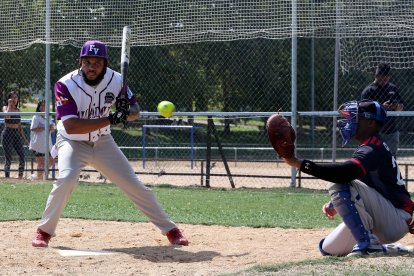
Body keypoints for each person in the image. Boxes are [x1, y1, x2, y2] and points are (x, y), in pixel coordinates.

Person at [31, 40, 189, 247]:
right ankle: (44, 231)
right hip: (72, 142)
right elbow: (71, 126)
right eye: (87, 61)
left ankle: (171, 230)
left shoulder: (117, 80)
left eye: (97, 62)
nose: (91, 66)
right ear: (81, 62)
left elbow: (135, 112)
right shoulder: (65, 84)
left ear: (104, 63)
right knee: (66, 179)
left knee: (133, 184)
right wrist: (113, 118)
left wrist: (126, 112)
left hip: (102, 141)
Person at [282, 100, 413, 256]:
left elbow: (345, 173)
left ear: (370, 122)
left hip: (395, 219)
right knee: (328, 249)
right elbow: (364, 182)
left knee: (337, 183)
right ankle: (390, 248)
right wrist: (335, 202)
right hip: (384, 218)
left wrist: (300, 163)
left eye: (355, 117)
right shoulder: (369, 146)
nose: (348, 121)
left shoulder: (373, 148)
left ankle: (368, 245)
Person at [361, 63, 403, 157]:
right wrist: (381, 107)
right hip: (373, 131)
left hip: (391, 131)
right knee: (373, 157)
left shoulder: (393, 88)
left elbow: (401, 106)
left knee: (391, 158)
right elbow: (363, 111)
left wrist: (396, 107)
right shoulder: (368, 91)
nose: (384, 81)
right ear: (376, 76)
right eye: (381, 78)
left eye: (386, 78)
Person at [1, 91, 28, 178]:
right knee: (8, 156)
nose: (14, 99)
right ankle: (7, 177)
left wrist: (25, 139)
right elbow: (7, 116)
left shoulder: (18, 110)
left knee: (22, 156)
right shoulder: (5, 107)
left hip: (16, 133)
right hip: (8, 132)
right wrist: (9, 105)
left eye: (16, 97)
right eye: (12, 97)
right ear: (9, 99)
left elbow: (19, 127)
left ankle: (20, 175)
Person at [29, 99, 56, 180]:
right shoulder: (36, 116)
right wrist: (45, 127)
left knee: (51, 161)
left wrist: (52, 128)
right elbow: (33, 129)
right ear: (39, 107)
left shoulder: (49, 116)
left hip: (47, 143)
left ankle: (37, 176)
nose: (43, 107)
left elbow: (53, 128)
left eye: (45, 105)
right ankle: (39, 180)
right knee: (40, 163)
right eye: (42, 105)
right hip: (38, 143)